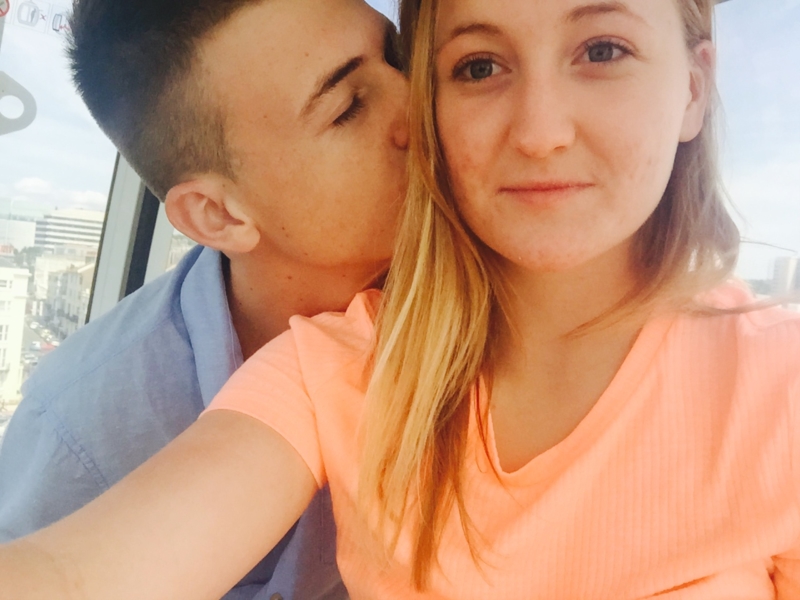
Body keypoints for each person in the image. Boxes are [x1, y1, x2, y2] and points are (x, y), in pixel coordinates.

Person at [2, 0, 800, 598]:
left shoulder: (773, 381)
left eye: (602, 50)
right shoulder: (312, 374)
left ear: (694, 86)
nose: (419, 109)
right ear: (220, 215)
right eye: (476, 67)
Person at [0, 0, 408, 598]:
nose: (419, 107)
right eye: (348, 107)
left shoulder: (492, 291)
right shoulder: (85, 434)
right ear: (218, 215)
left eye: (399, 56)